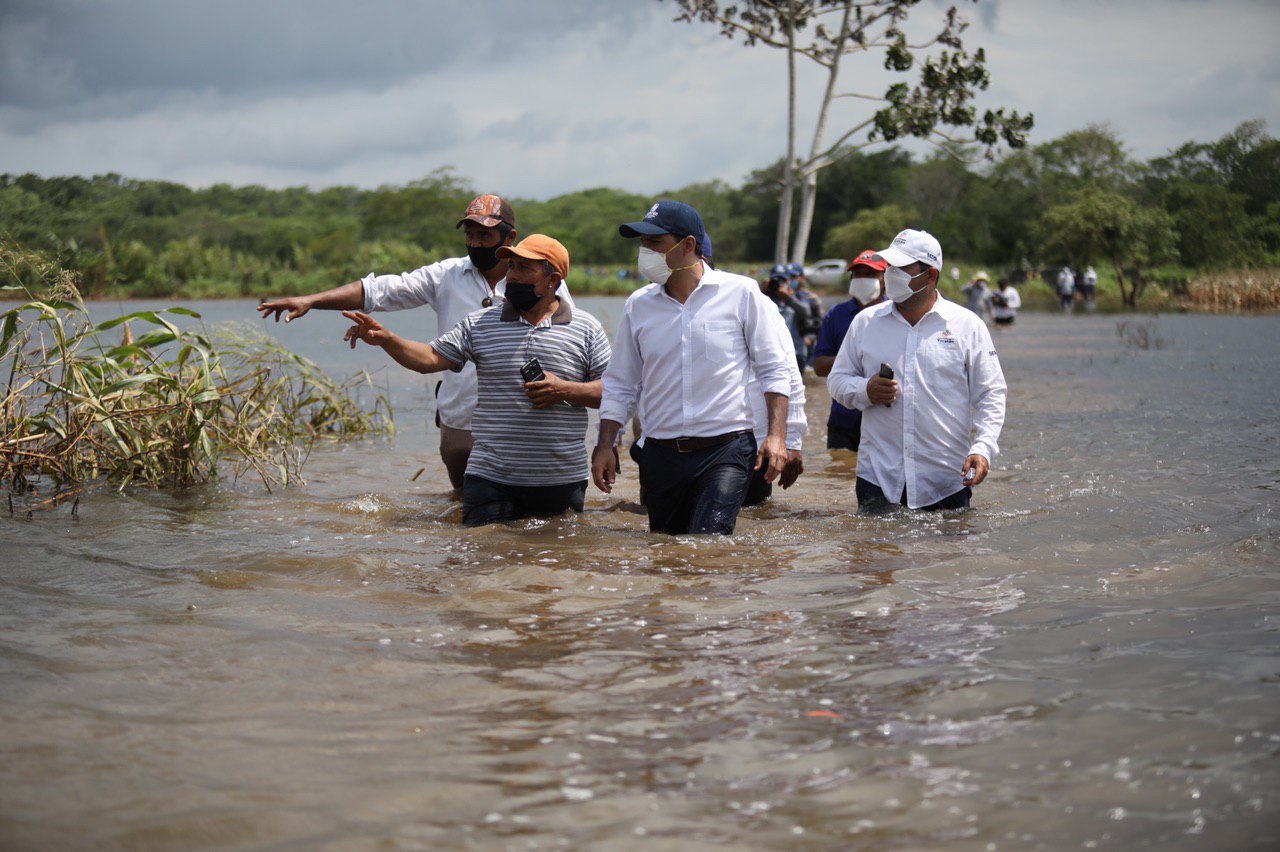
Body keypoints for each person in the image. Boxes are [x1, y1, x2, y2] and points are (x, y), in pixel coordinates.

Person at [257, 194, 572, 497]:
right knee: (467, 505)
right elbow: (379, 291)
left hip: (518, 417)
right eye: (470, 235)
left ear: (509, 236)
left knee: (527, 510)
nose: (475, 243)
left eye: (484, 236)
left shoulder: (539, 281)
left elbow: (566, 340)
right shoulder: (447, 275)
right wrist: (310, 300)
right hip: (460, 415)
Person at [341, 235, 611, 527]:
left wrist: (564, 390)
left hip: (561, 476)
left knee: (557, 563)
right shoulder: (480, 323)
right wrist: (388, 340)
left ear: (552, 280)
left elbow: (613, 391)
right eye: (511, 267)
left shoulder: (586, 329)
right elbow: (430, 358)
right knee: (481, 560)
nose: (512, 277)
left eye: (524, 269)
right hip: (490, 476)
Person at [591, 200, 794, 535]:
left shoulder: (741, 294)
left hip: (725, 449)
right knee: (666, 552)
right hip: (660, 453)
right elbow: (621, 384)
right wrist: (605, 444)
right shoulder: (638, 306)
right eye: (643, 244)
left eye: (654, 243)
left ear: (688, 245)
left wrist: (777, 436)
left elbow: (774, 369)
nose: (645, 252)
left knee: (708, 543)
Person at [827, 228, 1006, 512]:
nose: (889, 275)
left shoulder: (967, 326)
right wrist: (865, 390)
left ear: (930, 276)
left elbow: (991, 394)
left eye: (901, 268)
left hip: (946, 479)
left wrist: (982, 448)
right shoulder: (865, 323)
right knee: (874, 553)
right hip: (879, 477)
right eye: (889, 267)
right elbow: (837, 381)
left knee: (945, 556)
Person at [812, 249, 887, 451]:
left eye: (870, 274)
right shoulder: (837, 314)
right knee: (840, 474)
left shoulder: (897, 313)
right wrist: (856, 359)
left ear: (885, 279)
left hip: (886, 421)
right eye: (858, 274)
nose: (863, 279)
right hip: (843, 418)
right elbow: (819, 366)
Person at [789, 262, 824, 368]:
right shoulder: (778, 297)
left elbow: (821, 323)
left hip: (804, 348)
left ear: (802, 278)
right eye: (789, 276)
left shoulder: (811, 298)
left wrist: (810, 338)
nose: (791, 280)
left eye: (794, 277)